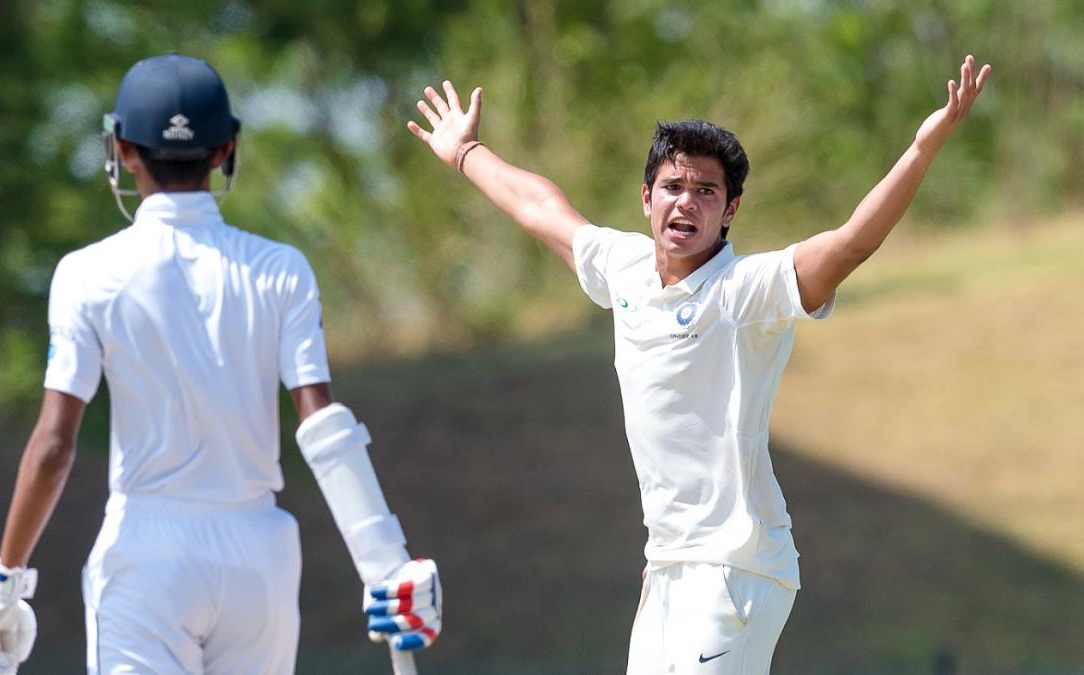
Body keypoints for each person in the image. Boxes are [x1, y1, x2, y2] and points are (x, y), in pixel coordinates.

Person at [406, 56, 990, 674]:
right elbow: (542, 208)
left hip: (735, 568)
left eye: (707, 191)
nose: (687, 203)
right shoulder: (624, 266)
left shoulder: (745, 291)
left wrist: (922, 151)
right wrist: (466, 151)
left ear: (730, 209)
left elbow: (850, 243)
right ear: (646, 197)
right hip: (668, 565)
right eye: (673, 187)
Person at [0, 53, 441, 675]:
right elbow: (322, 428)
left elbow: (54, 445)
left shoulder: (87, 274)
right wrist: (386, 562)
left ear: (124, 149)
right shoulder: (280, 268)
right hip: (258, 556)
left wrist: (4, 580)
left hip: (146, 553)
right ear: (225, 150)